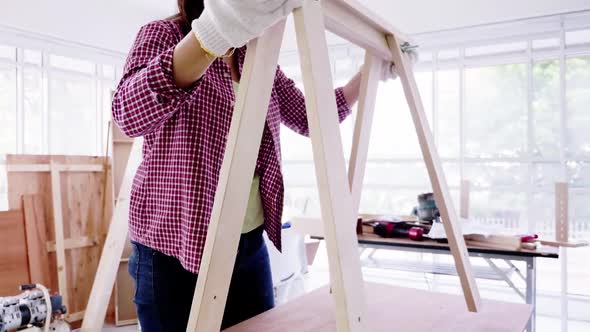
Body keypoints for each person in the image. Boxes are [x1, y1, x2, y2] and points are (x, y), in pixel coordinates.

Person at [113, 0, 400, 330]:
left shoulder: (256, 52)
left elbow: (313, 117)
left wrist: (369, 75)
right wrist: (210, 36)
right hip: (172, 248)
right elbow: (127, 114)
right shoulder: (165, 34)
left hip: (247, 244)